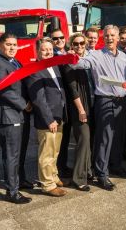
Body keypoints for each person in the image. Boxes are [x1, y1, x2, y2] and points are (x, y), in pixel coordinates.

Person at [73, 25, 126, 191]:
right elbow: (79, 64)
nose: (109, 38)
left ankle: (116, 165)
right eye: (106, 35)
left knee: (118, 137)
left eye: (112, 35)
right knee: (104, 139)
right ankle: (101, 174)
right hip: (105, 101)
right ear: (102, 37)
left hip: (121, 102)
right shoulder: (95, 56)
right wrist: (72, 57)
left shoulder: (123, 57)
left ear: (118, 37)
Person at [0, 33, 32, 204]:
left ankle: (21, 181)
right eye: (8, 44)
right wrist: (25, 104)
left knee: (19, 153)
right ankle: (12, 191)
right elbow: (3, 90)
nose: (12, 48)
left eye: (15, 44)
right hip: (8, 116)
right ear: (0, 45)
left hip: (20, 115)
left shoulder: (14, 62)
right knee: (11, 155)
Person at [25, 37, 68, 197]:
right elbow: (39, 100)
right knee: (47, 154)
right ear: (37, 51)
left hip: (59, 116)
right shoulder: (34, 70)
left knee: (55, 151)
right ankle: (47, 184)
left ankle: (54, 176)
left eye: (50, 49)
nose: (48, 52)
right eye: (44, 49)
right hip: (47, 120)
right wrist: (49, 119)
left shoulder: (54, 66)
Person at [64, 33, 95, 191]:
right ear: (71, 45)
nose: (79, 46)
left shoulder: (89, 59)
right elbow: (72, 89)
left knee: (89, 142)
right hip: (80, 108)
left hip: (92, 105)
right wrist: (81, 109)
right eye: (76, 44)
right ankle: (78, 178)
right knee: (83, 141)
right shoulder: (69, 61)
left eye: (82, 43)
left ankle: (88, 171)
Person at [51, 29, 73, 178]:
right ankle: (57, 170)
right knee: (57, 141)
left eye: (61, 37)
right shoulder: (52, 57)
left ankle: (63, 165)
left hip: (71, 102)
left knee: (65, 138)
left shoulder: (69, 54)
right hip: (60, 103)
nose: (59, 40)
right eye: (55, 39)